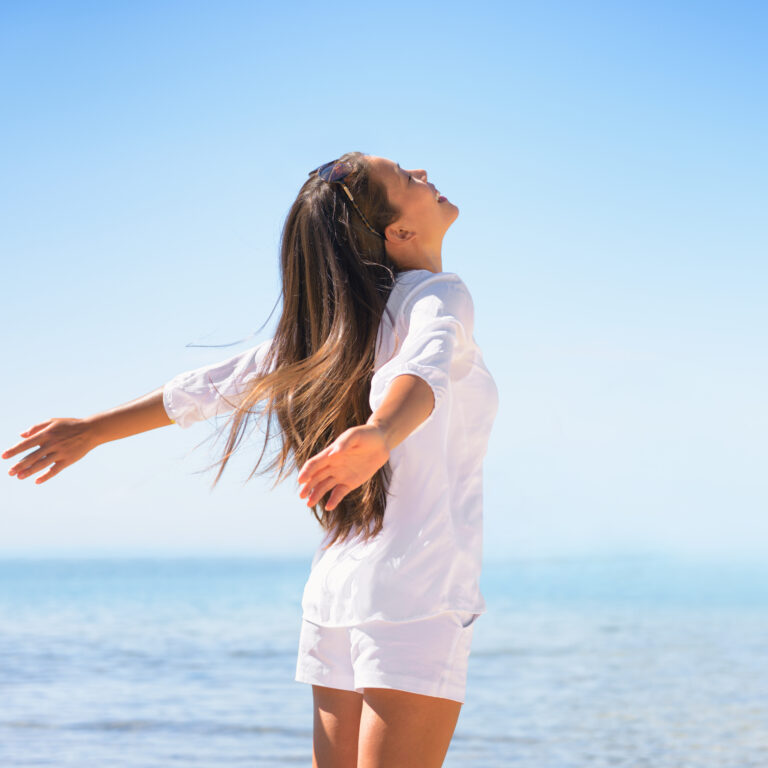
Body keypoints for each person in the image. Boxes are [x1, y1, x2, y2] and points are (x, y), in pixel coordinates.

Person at [1, 152, 500, 768]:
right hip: (417, 588)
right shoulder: (439, 293)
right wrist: (379, 433)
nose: (424, 173)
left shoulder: (336, 328)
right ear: (398, 232)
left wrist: (93, 430)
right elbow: (425, 366)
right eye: (406, 178)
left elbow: (212, 386)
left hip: (337, 591)